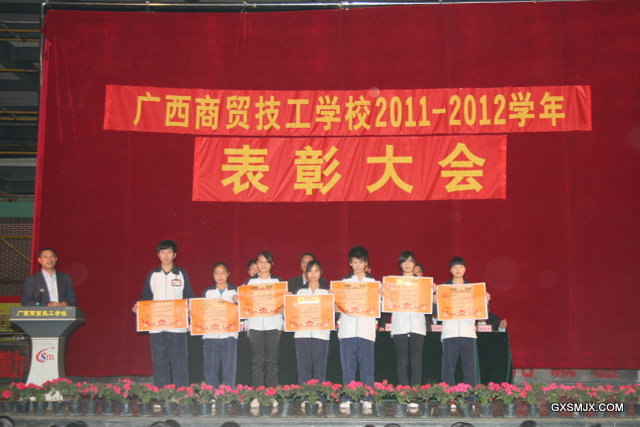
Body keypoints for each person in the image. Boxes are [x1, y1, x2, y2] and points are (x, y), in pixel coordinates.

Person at [133, 240, 195, 388]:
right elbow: (146, 298)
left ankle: (181, 394)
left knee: (179, 362)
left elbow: (189, 296)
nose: (166, 256)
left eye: (169, 252)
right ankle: (161, 395)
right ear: (158, 255)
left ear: (174, 255)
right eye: (163, 252)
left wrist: (190, 308)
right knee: (159, 362)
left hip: (177, 327)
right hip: (157, 327)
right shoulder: (153, 275)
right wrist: (139, 309)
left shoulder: (181, 274)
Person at [435, 256, 489, 389]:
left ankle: (471, 398)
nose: (458, 269)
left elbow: (482, 311)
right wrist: (434, 302)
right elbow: (435, 312)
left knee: (470, 368)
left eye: (460, 266)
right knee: (448, 368)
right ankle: (448, 396)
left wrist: (485, 301)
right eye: (454, 267)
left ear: (465, 269)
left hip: (468, 332)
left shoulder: (473, 289)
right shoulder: (443, 289)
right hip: (450, 333)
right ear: (450, 270)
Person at [338, 246, 378, 391]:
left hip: (366, 331)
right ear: (350, 263)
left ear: (366, 263)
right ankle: (348, 396)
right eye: (355, 262)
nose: (358, 265)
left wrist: (382, 296)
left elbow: (380, 307)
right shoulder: (342, 283)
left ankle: (367, 396)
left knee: (367, 367)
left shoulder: (375, 284)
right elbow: (336, 306)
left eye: (361, 262)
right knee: (348, 367)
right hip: (347, 331)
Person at [243, 251, 283, 389]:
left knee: (272, 360)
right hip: (255, 325)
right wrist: (238, 298)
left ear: (272, 264)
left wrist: (286, 302)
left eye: (267, 262)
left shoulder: (278, 282)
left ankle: (272, 392)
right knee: (257, 361)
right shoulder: (250, 282)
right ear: (257, 264)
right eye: (260, 261)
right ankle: (258, 392)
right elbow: (245, 302)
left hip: (274, 324)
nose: (263, 265)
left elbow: (284, 304)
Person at [389, 251, 429, 386]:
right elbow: (386, 304)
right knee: (402, 361)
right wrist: (383, 294)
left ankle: (415, 391)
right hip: (400, 326)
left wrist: (432, 293)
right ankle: (404, 391)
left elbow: (429, 304)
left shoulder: (423, 283)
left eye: (410, 261)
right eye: (404, 261)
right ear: (400, 264)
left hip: (418, 326)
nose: (407, 264)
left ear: (414, 264)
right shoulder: (393, 284)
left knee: (416, 361)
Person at [202, 262, 239, 387]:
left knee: (229, 367)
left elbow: (243, 312)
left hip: (229, 335)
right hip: (210, 335)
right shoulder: (207, 292)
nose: (220, 276)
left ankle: (227, 393)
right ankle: (211, 392)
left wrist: (238, 302)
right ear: (213, 275)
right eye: (217, 273)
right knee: (210, 367)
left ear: (228, 274)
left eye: (223, 273)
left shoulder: (235, 292)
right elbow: (201, 311)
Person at [294, 260, 330, 384]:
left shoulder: (327, 293)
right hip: (302, 334)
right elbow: (293, 313)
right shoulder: (299, 292)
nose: (313, 274)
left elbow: (333, 316)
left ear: (321, 272)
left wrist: (335, 309)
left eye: (316, 271)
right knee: (303, 368)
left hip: (321, 334)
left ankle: (318, 394)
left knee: (320, 368)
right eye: (310, 271)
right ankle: (304, 393)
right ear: (305, 273)